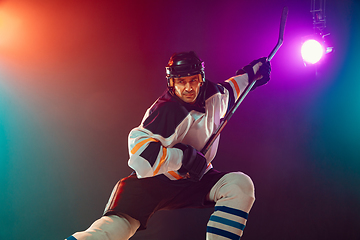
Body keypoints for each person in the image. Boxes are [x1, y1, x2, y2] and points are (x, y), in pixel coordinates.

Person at [66, 51, 271, 240]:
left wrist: (252, 74)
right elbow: (140, 160)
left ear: (202, 78)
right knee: (112, 231)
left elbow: (235, 87)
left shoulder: (217, 95)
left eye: (193, 80)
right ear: (171, 83)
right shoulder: (166, 111)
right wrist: (183, 158)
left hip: (194, 179)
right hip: (151, 184)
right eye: (181, 82)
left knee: (239, 185)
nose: (188, 88)